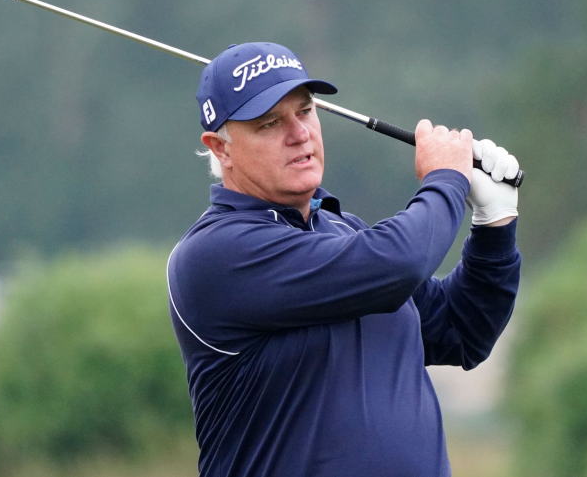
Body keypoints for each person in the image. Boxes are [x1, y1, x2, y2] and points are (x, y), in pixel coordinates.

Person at [167, 42, 521, 477]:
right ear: (220, 149)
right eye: (269, 123)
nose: (299, 133)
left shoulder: (344, 231)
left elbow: (461, 330)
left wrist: (493, 224)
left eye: (305, 110)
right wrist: (446, 178)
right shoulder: (216, 254)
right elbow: (399, 264)